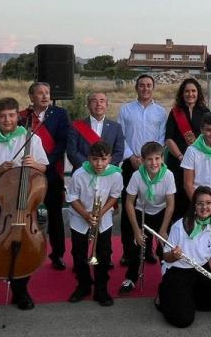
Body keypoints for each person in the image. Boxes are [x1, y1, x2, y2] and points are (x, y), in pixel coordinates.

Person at [0, 97, 48, 317]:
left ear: (17, 116)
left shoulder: (31, 138)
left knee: (22, 247)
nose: (7, 120)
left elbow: (43, 168)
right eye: (3, 116)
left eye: (12, 115)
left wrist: (35, 165)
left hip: (23, 206)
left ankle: (20, 292)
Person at [20, 82, 75, 271]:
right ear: (31, 97)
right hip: (28, 170)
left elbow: (63, 141)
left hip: (52, 170)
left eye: (47, 92)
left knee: (55, 214)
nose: (45, 96)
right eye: (40, 93)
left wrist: (46, 162)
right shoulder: (23, 117)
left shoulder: (59, 114)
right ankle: (27, 250)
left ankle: (57, 254)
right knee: (27, 212)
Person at [157, 186, 211, 328]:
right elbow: (166, 257)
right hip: (178, 270)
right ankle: (163, 294)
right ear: (194, 206)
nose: (204, 207)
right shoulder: (179, 226)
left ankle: (187, 296)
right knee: (183, 320)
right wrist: (174, 255)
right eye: (200, 203)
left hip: (200, 268)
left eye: (208, 203)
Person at [117, 74, 168, 272]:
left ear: (153, 88)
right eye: (142, 85)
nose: (145, 88)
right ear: (136, 88)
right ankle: (127, 251)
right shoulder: (126, 109)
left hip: (153, 165)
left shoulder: (160, 112)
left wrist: (151, 159)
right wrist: (132, 157)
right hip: (132, 164)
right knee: (130, 207)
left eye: (148, 85)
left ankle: (148, 250)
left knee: (152, 206)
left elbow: (162, 138)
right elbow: (120, 136)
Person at [66, 140, 123, 306]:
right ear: (88, 158)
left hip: (103, 219)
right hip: (79, 217)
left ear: (110, 158)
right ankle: (83, 286)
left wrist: (100, 213)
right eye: (95, 159)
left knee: (104, 255)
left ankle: (101, 289)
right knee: (79, 254)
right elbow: (72, 198)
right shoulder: (79, 174)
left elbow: (114, 196)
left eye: (104, 159)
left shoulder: (115, 175)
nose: (99, 164)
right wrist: (85, 214)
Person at [121, 141, 176, 294]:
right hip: (142, 212)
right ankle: (131, 278)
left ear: (162, 159)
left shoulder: (169, 175)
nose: (154, 163)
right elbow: (129, 203)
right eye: (150, 159)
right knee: (137, 248)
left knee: (163, 248)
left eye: (157, 158)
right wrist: (137, 230)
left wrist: (164, 229)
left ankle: (168, 276)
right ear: (143, 160)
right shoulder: (136, 176)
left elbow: (171, 204)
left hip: (161, 213)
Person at [164, 78, 210, 219]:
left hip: (199, 164)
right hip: (178, 163)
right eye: (187, 91)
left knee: (196, 197)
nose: (190, 94)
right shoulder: (175, 112)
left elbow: (209, 138)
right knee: (178, 201)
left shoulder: (205, 112)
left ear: (198, 93)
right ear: (182, 93)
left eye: (193, 91)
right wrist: (181, 157)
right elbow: (169, 138)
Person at [70, 92, 125, 167]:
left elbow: (119, 152)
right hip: (83, 172)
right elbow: (72, 151)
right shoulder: (76, 126)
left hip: (108, 173)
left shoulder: (116, 127)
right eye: (94, 101)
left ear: (106, 105)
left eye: (102, 101)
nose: (98, 104)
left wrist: (104, 168)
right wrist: (88, 167)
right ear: (89, 105)